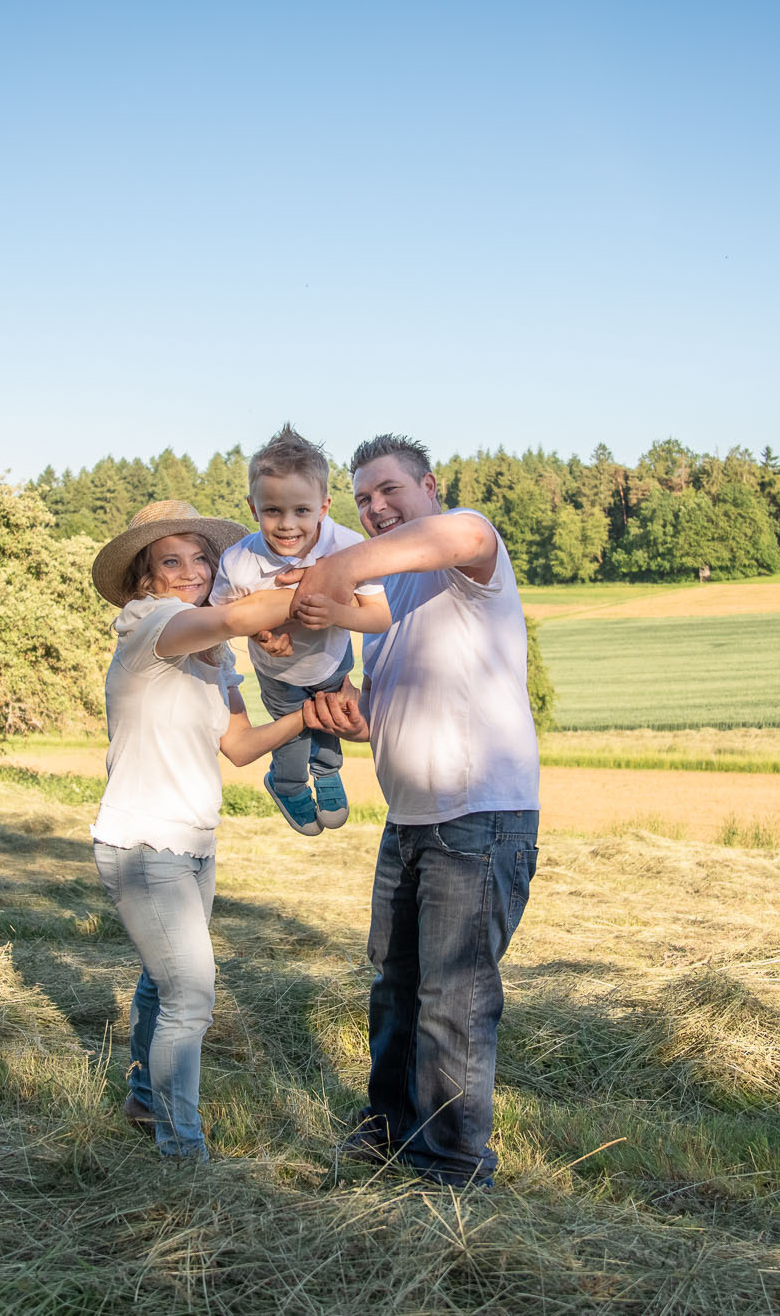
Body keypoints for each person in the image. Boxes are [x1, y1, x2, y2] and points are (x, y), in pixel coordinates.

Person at [286, 434, 541, 1187]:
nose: (376, 507)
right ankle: (390, 1133)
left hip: (478, 817)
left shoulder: (468, 550)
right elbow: (402, 701)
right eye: (363, 499)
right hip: (410, 821)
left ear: (429, 486)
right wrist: (355, 714)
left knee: (451, 998)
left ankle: (452, 1168)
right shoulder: (397, 598)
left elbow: (463, 530)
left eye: (389, 489)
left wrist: (338, 563)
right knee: (396, 989)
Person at [88, 499, 313, 1161]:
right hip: (142, 844)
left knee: (163, 982)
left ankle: (144, 1098)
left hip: (193, 842)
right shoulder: (151, 624)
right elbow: (242, 614)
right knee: (191, 991)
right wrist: (311, 588)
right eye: (171, 560)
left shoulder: (212, 657)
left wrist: (307, 715)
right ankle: (181, 1149)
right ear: (146, 578)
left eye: (201, 559)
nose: (189, 571)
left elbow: (240, 745)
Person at [211, 426, 390, 836]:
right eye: (273, 510)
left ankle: (327, 773)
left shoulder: (347, 546)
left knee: (332, 720)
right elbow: (219, 619)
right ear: (253, 509)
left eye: (302, 511)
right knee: (291, 740)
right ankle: (287, 783)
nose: (287, 525)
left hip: (331, 662)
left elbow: (379, 617)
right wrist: (260, 635)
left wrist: (336, 615)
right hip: (278, 675)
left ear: (324, 507)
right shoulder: (239, 561)